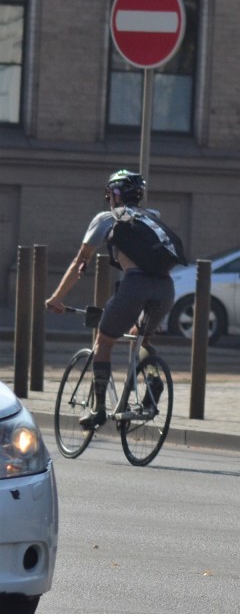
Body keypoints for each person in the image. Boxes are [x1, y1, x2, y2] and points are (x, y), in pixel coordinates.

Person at [45, 170, 176, 428]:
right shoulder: (153, 218)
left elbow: (79, 261)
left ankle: (98, 409)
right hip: (166, 289)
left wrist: (56, 298)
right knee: (141, 334)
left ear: (114, 195)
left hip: (135, 285)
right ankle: (152, 380)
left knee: (103, 342)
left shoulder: (106, 219)